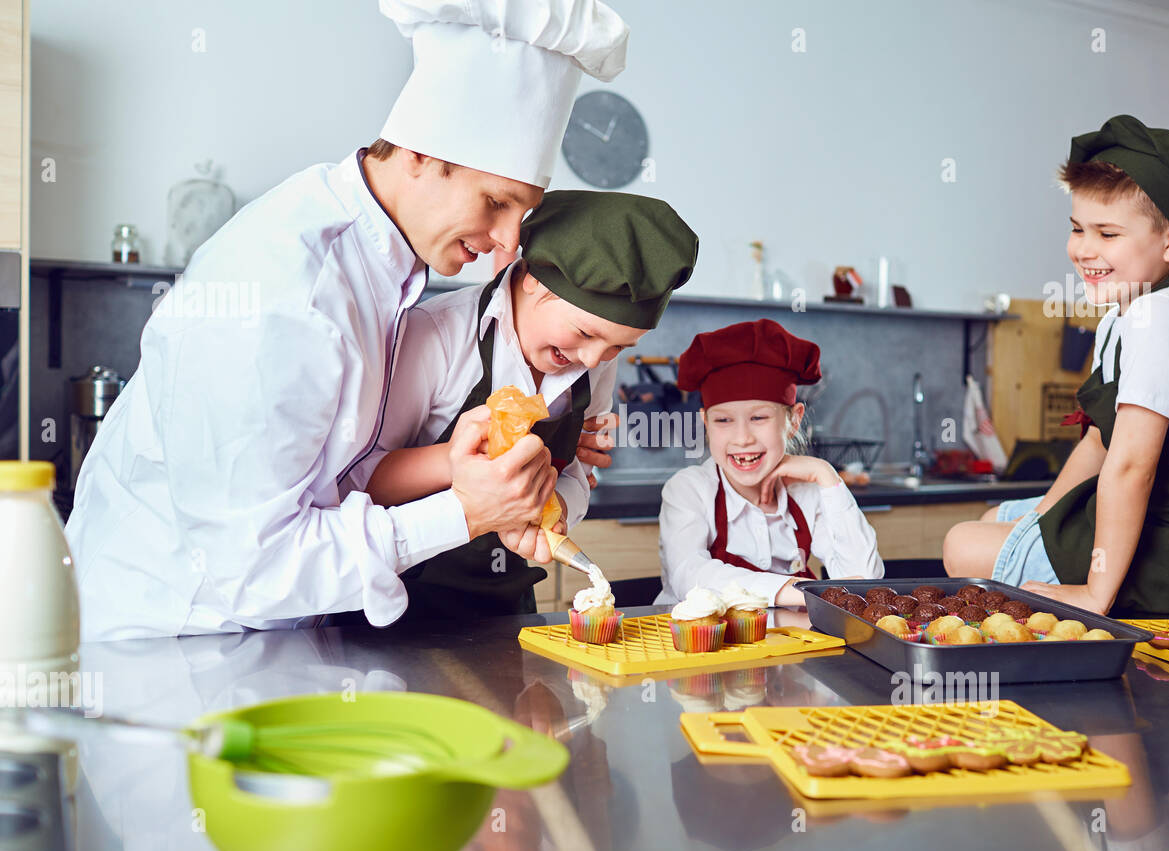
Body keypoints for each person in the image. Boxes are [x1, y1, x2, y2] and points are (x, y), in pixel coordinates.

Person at [65, 0, 629, 640]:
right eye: (495, 202)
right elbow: (253, 568)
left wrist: (463, 466)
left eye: (520, 215)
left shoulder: (380, 263)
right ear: (419, 152)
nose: (506, 246)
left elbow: (330, 482)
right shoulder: (282, 294)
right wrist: (464, 512)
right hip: (169, 642)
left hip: (262, 635)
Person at [944, 114, 1169, 617]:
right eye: (1078, 228)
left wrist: (1094, 594)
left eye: (1107, 233)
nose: (1084, 249)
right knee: (997, 519)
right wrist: (1043, 518)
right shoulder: (1124, 315)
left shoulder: (1162, 318)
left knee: (961, 544)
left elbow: (1131, 465)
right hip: (1158, 523)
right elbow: (1100, 443)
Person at [344, 190, 699, 615]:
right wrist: (460, 464)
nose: (592, 361)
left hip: (506, 602)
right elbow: (355, 479)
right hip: (400, 601)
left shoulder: (594, 359)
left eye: (617, 347)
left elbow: (577, 471)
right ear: (534, 279)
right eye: (585, 334)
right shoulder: (438, 337)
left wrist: (552, 509)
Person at [656, 319, 885, 606]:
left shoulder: (808, 492)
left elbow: (864, 581)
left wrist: (826, 474)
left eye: (758, 418)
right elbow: (690, 578)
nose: (742, 438)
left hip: (791, 646)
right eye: (723, 420)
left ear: (794, 421)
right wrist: (803, 591)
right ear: (706, 422)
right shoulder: (689, 489)